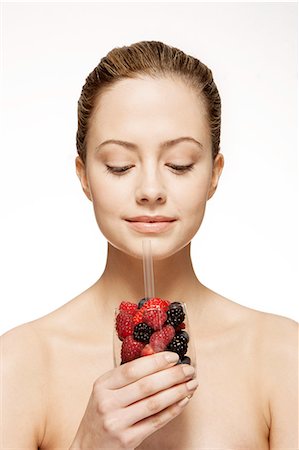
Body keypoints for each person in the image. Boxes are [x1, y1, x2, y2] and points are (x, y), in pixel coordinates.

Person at [2, 40, 298, 450]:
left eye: (179, 164)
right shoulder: (18, 364)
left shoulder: (282, 355)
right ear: (84, 175)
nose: (151, 189)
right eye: (120, 165)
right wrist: (90, 443)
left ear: (214, 174)